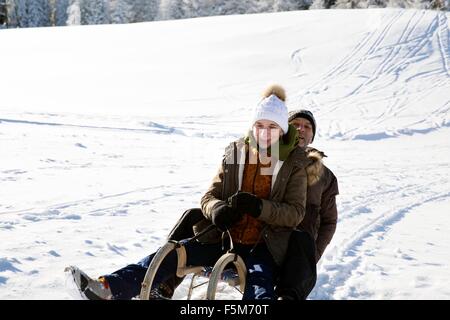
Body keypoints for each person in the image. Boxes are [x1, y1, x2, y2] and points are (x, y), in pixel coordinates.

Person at [69, 84, 311, 300]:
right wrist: (217, 209)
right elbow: (209, 196)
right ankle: (108, 289)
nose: (264, 132)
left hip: (264, 246)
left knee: (259, 287)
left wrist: (259, 207)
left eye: (272, 127)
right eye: (259, 125)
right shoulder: (236, 154)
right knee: (170, 255)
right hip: (224, 240)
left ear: (281, 130)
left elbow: (295, 213)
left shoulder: (294, 163)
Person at [275, 109, 339, 300]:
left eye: (307, 126)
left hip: (300, 251)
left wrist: (314, 253)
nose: (301, 129)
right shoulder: (267, 160)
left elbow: (329, 222)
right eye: (295, 125)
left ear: (312, 136)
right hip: (265, 241)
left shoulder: (326, 177)